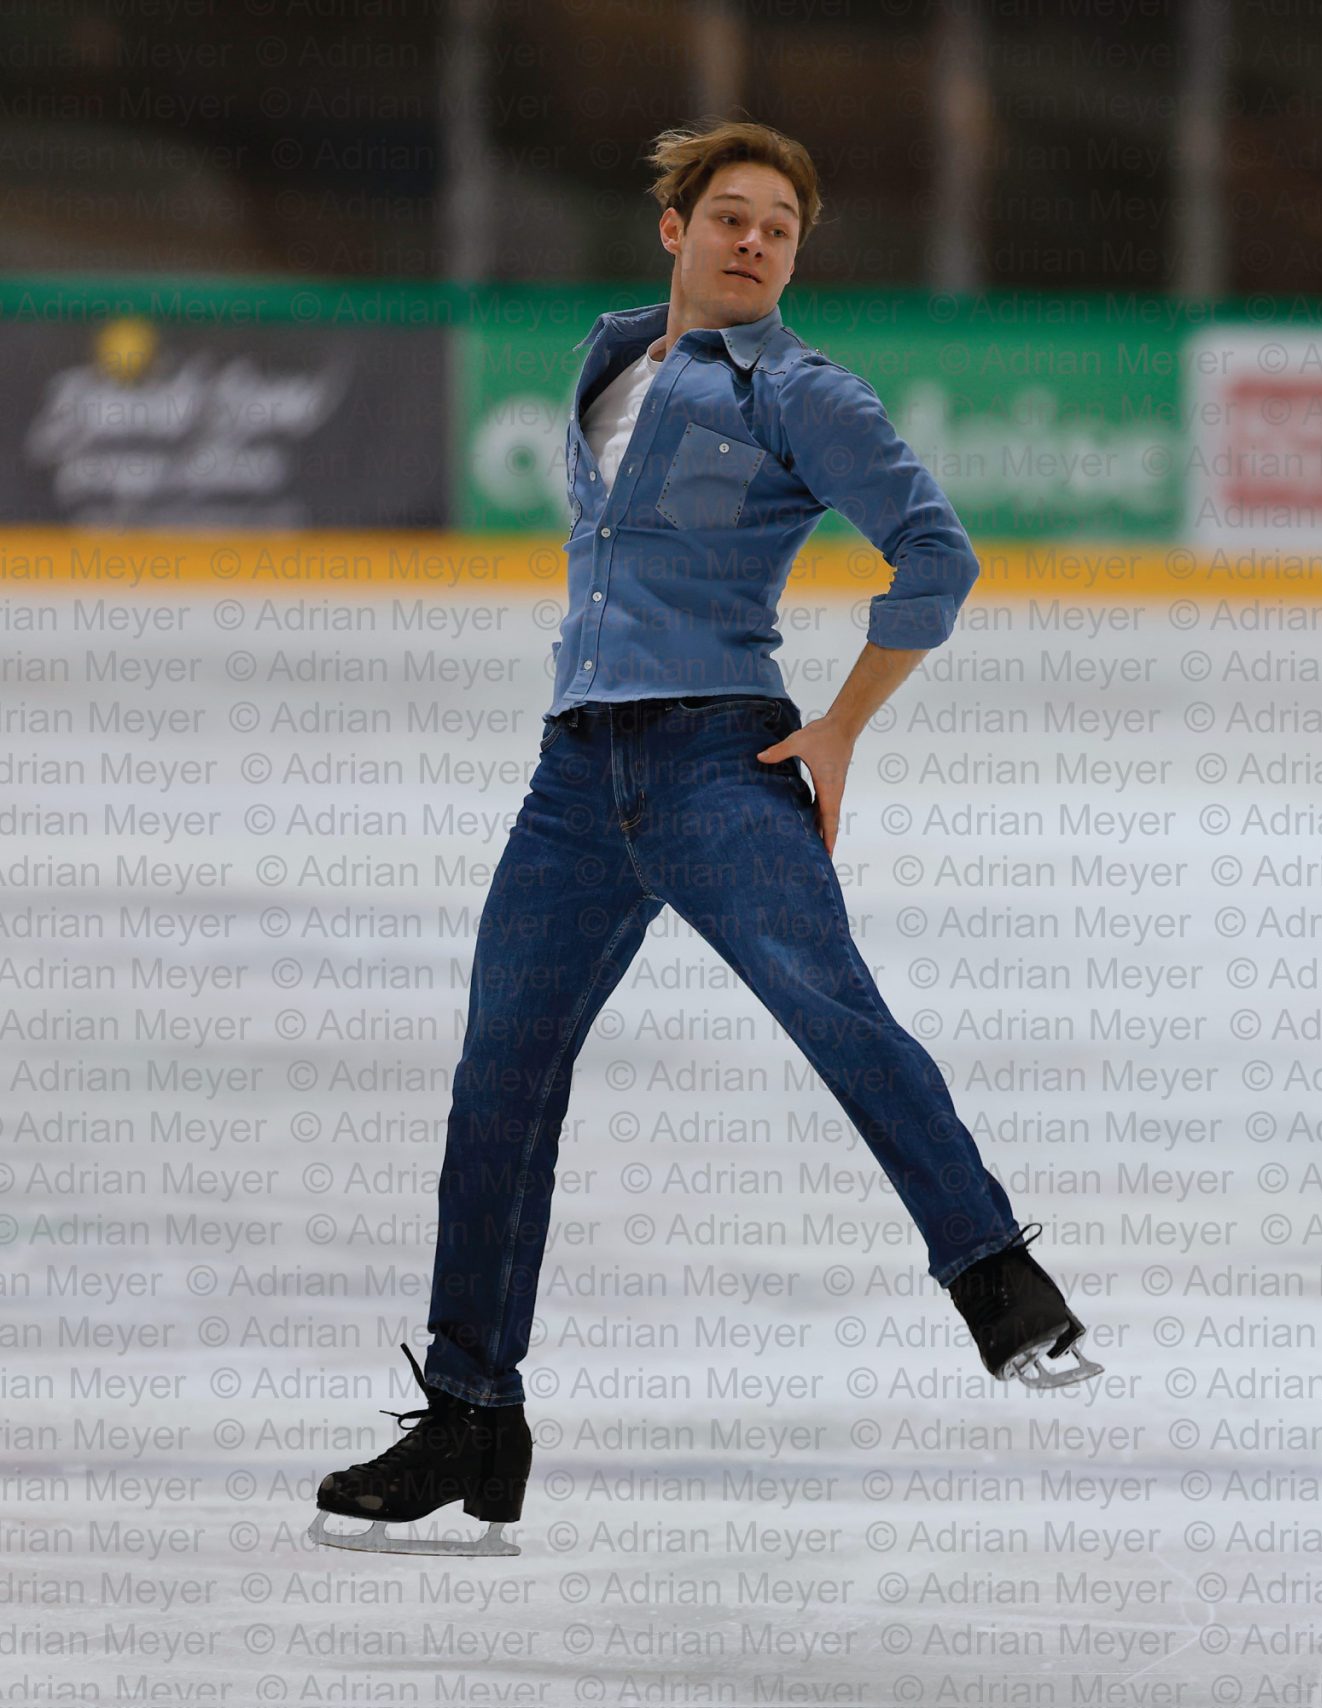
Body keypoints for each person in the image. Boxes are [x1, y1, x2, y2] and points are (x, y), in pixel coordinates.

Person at [311, 121, 1096, 1559]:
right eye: (728, 217)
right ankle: (472, 1412)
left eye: (779, 229)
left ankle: (997, 1279)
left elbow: (938, 553)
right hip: (575, 779)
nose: (753, 242)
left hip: (716, 762)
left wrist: (846, 723)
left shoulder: (803, 390)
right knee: (499, 1082)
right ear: (672, 231)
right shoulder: (611, 361)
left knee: (833, 1012)